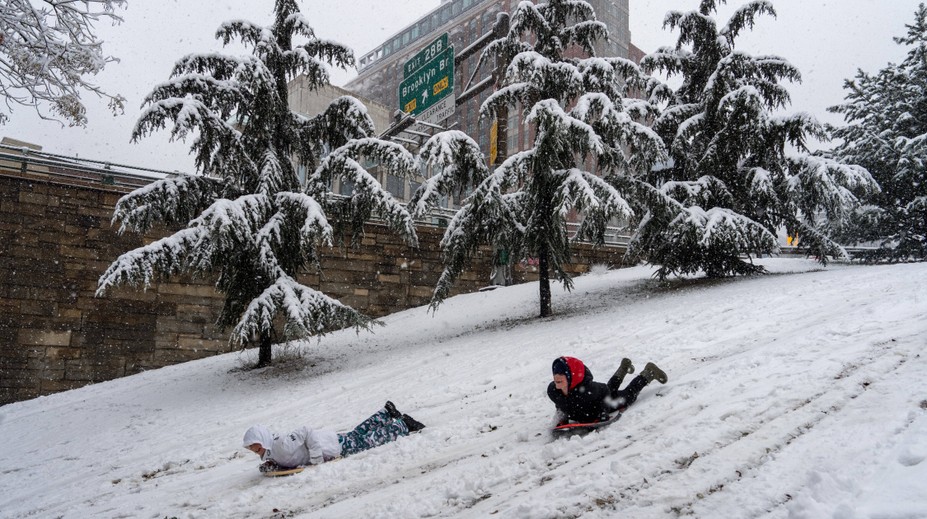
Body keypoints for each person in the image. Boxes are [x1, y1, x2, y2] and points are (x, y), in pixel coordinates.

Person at [243, 401, 425, 471]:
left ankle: (403, 425)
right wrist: (271, 464)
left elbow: (307, 431)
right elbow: (276, 457)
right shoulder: (271, 450)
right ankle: (385, 413)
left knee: (367, 441)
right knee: (357, 434)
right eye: (252, 448)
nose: (255, 451)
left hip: (330, 446)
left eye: (255, 446)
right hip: (329, 441)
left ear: (263, 439)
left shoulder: (281, 444)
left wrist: (316, 460)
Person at [547, 356, 667, 425]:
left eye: (562, 374)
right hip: (597, 397)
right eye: (555, 373)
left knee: (628, 395)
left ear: (571, 376)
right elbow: (561, 403)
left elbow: (604, 391)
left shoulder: (587, 390)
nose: (556, 376)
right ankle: (623, 369)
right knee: (610, 388)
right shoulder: (553, 390)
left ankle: (648, 373)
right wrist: (561, 418)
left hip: (604, 403)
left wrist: (602, 414)